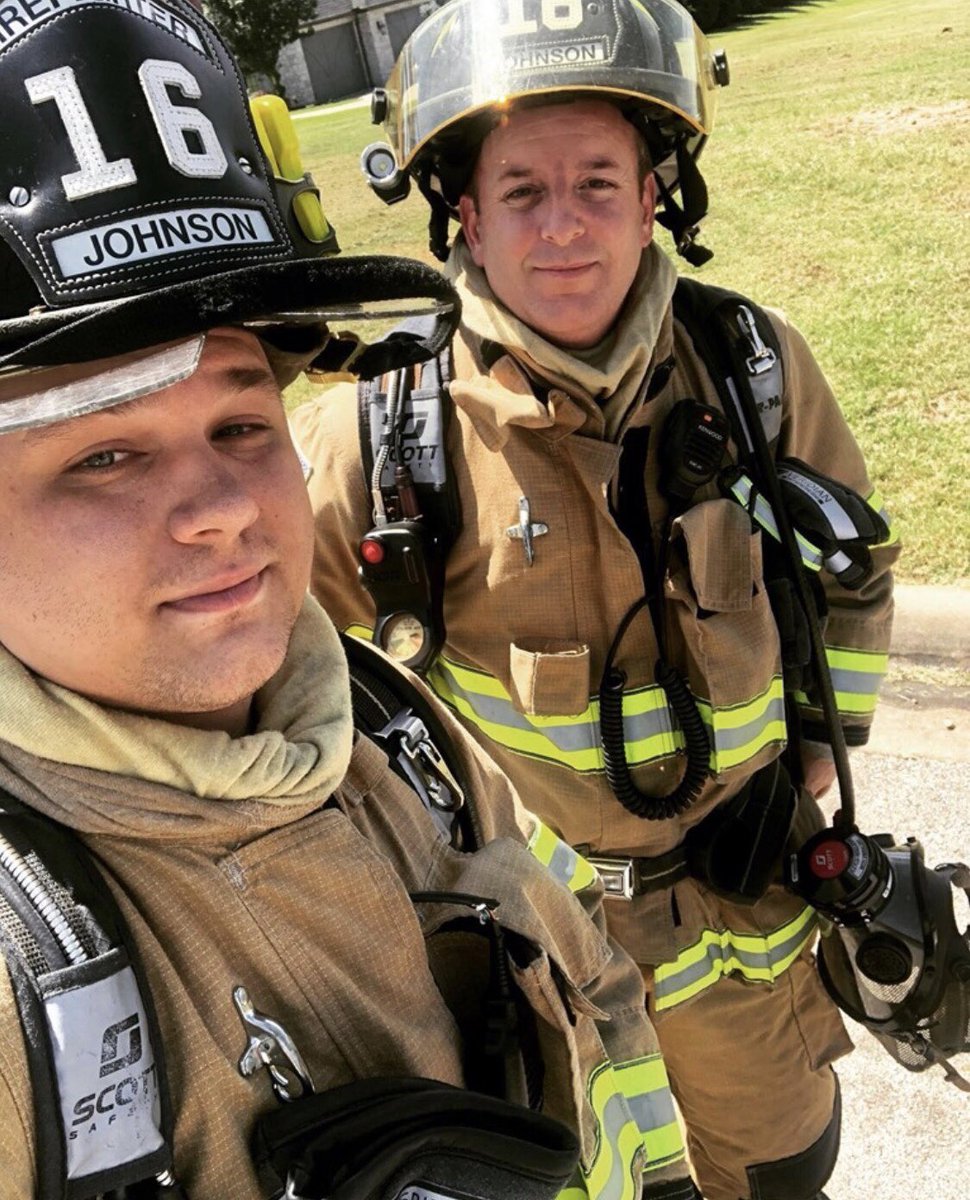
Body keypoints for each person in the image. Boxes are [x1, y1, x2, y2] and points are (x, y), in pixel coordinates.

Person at [0, 4, 698, 1199]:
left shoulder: (398, 726)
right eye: (102, 456)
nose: (221, 508)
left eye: (237, 421)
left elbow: (595, 999)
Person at [292, 2, 900, 1198]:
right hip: (540, 966)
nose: (563, 226)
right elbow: (271, 678)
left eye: (597, 181)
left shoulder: (754, 373)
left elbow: (853, 572)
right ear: (461, 209)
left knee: (783, 1169)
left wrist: (822, 760)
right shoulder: (376, 444)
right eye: (520, 189)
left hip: (750, 939)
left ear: (652, 192)